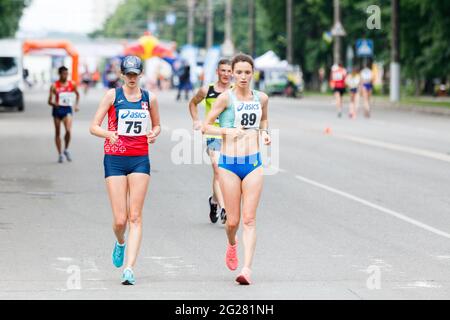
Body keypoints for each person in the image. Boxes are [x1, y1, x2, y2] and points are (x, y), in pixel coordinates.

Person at [89, 55, 161, 285]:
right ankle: (120, 242)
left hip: (140, 158)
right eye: (128, 74)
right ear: (122, 75)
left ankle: (129, 268)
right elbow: (93, 126)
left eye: (135, 73)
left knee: (135, 216)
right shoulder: (112, 96)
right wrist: (108, 133)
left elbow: (157, 124)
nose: (131, 78)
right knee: (120, 220)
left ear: (141, 74)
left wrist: (154, 133)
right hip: (115, 159)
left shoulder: (149, 98)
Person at [202, 53, 271, 285]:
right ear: (231, 72)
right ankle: (232, 244)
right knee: (233, 222)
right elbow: (205, 126)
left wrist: (266, 134)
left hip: (253, 164)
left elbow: (263, 121)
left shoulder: (261, 98)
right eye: (238, 72)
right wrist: (227, 131)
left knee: (249, 220)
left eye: (247, 72)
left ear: (253, 74)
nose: (243, 76)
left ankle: (246, 269)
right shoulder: (225, 98)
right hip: (229, 164)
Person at [189, 59, 232, 224]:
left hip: (230, 135)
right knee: (218, 169)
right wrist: (196, 120)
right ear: (217, 72)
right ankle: (224, 209)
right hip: (213, 134)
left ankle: (214, 201)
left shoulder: (236, 92)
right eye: (223, 70)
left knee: (226, 173)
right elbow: (193, 103)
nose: (226, 74)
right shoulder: (207, 90)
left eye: (229, 71)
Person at [47, 66, 80, 163]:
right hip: (57, 110)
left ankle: (66, 149)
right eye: (64, 73)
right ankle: (60, 154)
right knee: (57, 132)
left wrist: (76, 105)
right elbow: (49, 101)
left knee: (68, 130)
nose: (65, 75)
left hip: (67, 110)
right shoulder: (54, 86)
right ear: (60, 74)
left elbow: (77, 95)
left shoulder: (72, 84)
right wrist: (54, 104)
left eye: (67, 73)